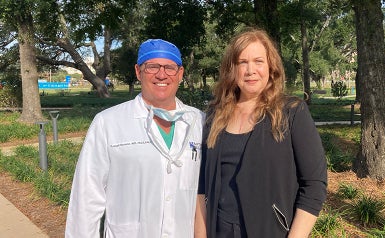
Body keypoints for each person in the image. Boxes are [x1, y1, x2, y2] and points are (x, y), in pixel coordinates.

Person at [65, 39, 205, 237]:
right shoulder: (108, 122)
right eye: (152, 67)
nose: (161, 74)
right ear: (138, 72)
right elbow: (86, 197)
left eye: (169, 67)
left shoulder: (199, 121)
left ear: (180, 73)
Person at [196, 28, 328, 238]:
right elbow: (201, 185)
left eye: (258, 61)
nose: (251, 70)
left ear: (271, 67)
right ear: (232, 69)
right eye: (242, 62)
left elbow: (314, 185)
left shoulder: (291, 112)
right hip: (218, 230)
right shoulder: (215, 114)